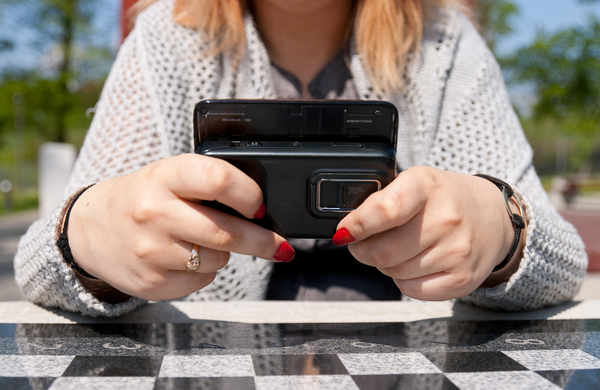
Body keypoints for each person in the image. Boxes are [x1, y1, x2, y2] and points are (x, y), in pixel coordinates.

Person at [14, 0, 587, 317]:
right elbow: (44, 264)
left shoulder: (444, 43)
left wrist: (502, 228)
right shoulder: (166, 38)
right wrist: (86, 237)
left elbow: (560, 263)